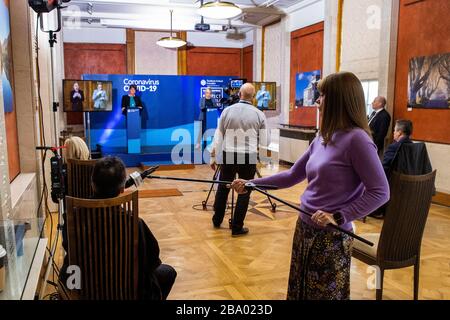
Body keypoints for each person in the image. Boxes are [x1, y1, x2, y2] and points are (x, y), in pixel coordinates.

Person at [232, 72, 390, 300]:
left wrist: (338, 216)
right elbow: (292, 175)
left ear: (338, 100)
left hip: (331, 237)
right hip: (305, 227)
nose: (317, 100)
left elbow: (381, 192)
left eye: (322, 95)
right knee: (300, 291)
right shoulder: (323, 136)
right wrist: (252, 184)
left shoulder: (358, 140)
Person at [210, 83, 270, 236]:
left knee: (223, 187)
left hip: (228, 153)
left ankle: (217, 220)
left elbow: (219, 135)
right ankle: (237, 227)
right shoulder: (259, 114)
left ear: (239, 94)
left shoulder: (227, 111)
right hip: (248, 155)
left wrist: (212, 155)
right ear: (254, 96)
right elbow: (265, 142)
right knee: (245, 190)